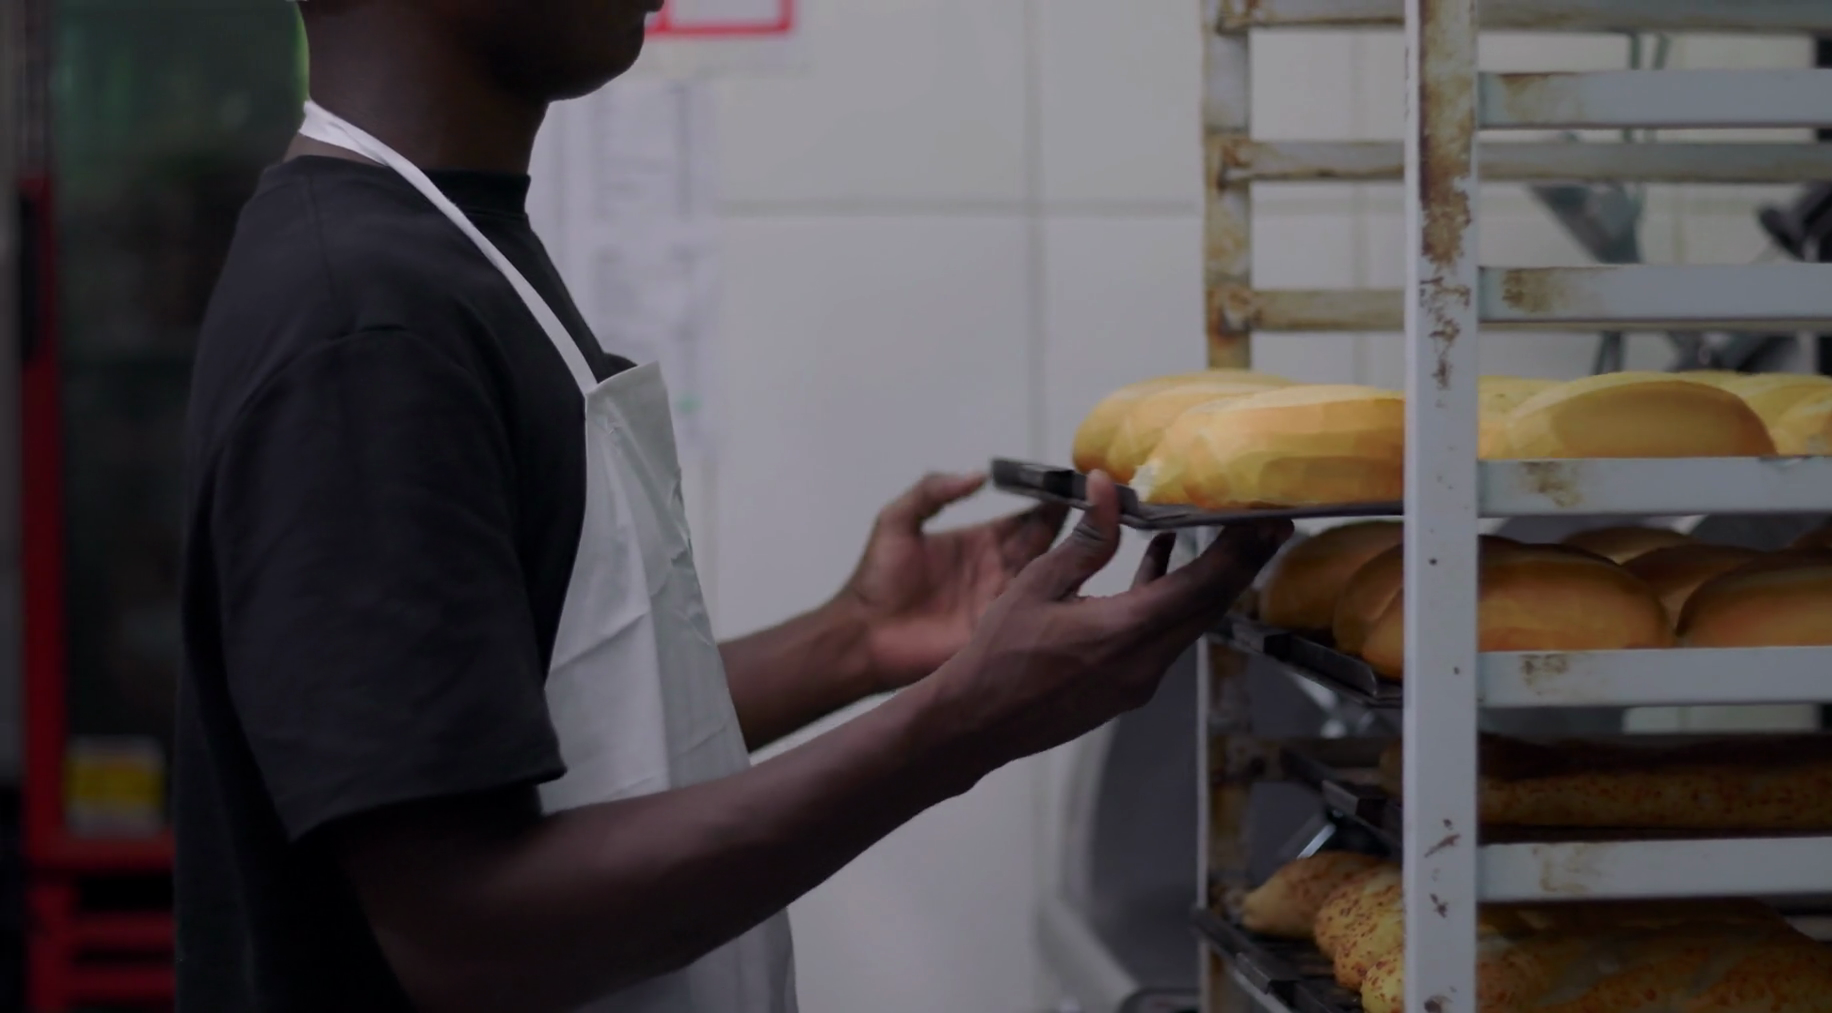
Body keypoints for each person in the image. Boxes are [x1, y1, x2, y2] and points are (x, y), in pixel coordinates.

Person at [176, 1, 1286, 1011]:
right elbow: (469, 933)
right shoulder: (363, 327)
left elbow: (527, 731)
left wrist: (854, 639)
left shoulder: (453, 252)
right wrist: (963, 724)